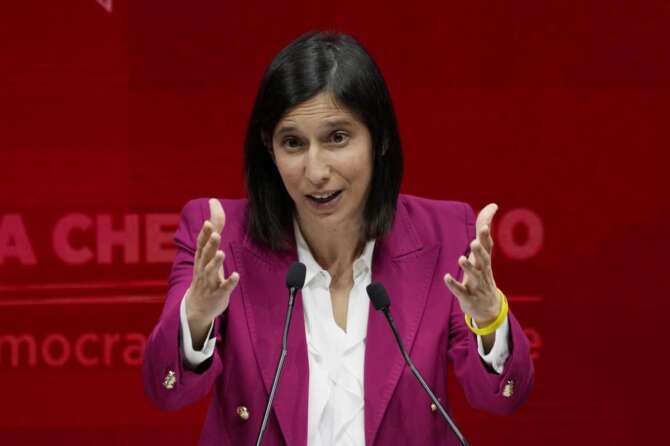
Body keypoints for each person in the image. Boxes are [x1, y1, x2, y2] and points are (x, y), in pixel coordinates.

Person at [143, 31, 534, 446]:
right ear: (268, 149)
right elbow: (168, 391)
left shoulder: (445, 232)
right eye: (292, 143)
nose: (315, 171)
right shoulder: (219, 236)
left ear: (379, 139)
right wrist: (198, 316)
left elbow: (500, 399)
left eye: (337, 138)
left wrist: (490, 318)